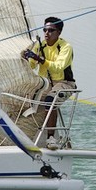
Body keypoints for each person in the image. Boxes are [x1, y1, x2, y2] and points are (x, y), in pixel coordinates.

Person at [21, 16, 76, 148]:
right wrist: (26, 57)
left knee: (50, 100)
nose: (47, 33)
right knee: (27, 99)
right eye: (45, 30)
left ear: (59, 32)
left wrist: (39, 59)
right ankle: (26, 136)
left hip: (65, 83)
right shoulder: (40, 45)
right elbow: (33, 65)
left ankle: (51, 138)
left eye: (51, 30)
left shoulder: (65, 47)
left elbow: (58, 66)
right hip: (46, 83)